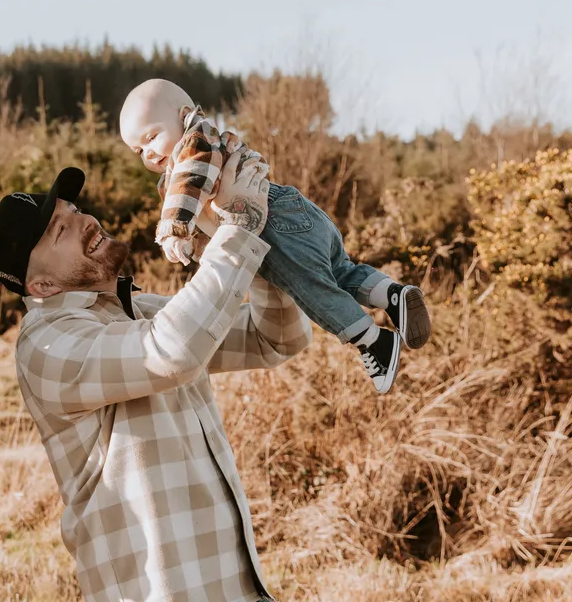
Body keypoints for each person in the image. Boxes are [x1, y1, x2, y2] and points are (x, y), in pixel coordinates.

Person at [0, 146, 311, 602]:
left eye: (74, 211)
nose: (84, 220)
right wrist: (239, 230)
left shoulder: (142, 310)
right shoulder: (46, 343)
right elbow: (173, 351)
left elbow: (277, 338)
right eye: (59, 231)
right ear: (38, 286)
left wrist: (231, 228)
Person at [119, 78, 431, 394]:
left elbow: (190, 181)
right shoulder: (189, 161)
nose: (148, 153)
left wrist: (174, 229)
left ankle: (373, 341)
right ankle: (391, 295)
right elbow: (206, 226)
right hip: (292, 208)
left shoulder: (194, 144)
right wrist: (195, 247)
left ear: (184, 115)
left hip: (273, 226)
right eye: (138, 149)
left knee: (312, 288)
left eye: (152, 136)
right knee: (339, 271)